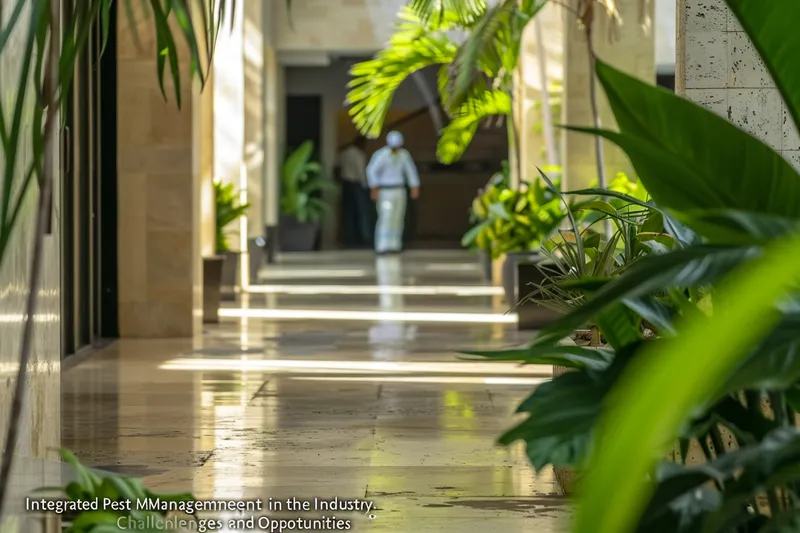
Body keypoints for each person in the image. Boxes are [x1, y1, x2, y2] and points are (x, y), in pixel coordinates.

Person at [366, 131, 420, 255]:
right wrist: (374, 187)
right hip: (385, 191)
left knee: (398, 217)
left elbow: (410, 171)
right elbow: (371, 171)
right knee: (386, 216)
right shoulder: (381, 155)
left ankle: (395, 244)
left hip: (399, 189)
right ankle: (382, 245)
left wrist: (414, 186)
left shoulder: (404, 155)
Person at [337, 137, 372, 247]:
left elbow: (337, 167)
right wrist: (366, 186)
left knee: (348, 213)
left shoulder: (344, 153)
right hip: (357, 185)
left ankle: (349, 238)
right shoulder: (359, 155)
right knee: (361, 212)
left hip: (346, 185)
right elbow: (361, 172)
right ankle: (363, 237)